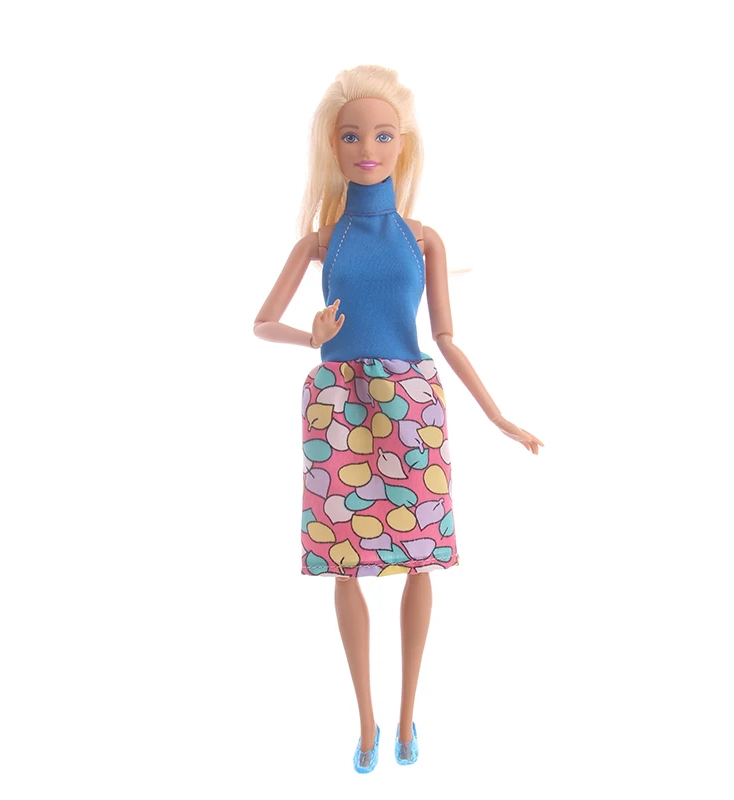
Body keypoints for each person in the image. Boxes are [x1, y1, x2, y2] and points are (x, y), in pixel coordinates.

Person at [254, 64, 544, 773]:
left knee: (421, 560)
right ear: (332, 143)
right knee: (344, 564)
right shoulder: (322, 241)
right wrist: (311, 336)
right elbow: (262, 322)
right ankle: (367, 722)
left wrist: (498, 415)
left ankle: (410, 713)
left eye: (383, 135)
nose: (367, 148)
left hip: (411, 405)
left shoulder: (422, 238)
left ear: (403, 144)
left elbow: (445, 337)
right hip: (337, 405)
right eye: (352, 135)